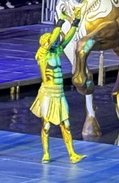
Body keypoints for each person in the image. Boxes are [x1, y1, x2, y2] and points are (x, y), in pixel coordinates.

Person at [31, 15, 85, 164]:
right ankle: (46, 153)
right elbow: (54, 37)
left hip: (59, 93)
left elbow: (66, 39)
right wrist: (59, 23)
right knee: (46, 125)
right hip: (48, 92)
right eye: (51, 40)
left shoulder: (55, 51)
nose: (54, 41)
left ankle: (72, 154)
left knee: (66, 124)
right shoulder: (43, 54)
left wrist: (75, 24)